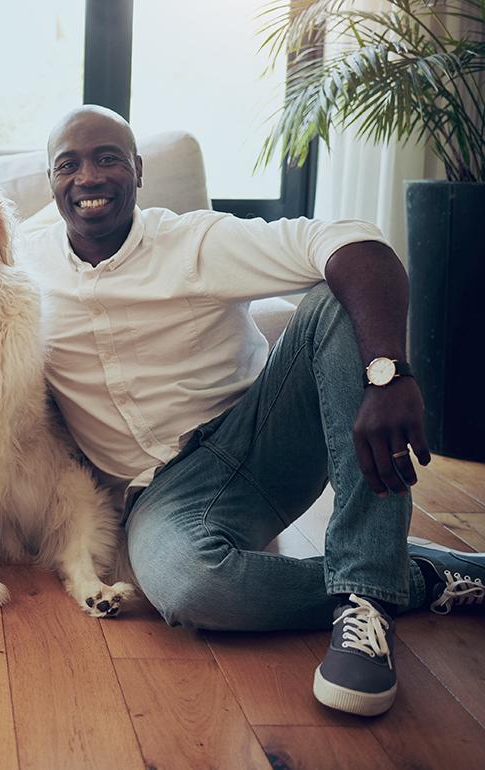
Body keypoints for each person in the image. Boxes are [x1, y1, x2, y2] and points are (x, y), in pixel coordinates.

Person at [25, 105, 485, 718]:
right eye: (69, 164)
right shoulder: (23, 258)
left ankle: (367, 607)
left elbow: (350, 239)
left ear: (137, 170)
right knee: (189, 587)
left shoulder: (197, 240)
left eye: (108, 158)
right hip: (163, 490)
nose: (88, 177)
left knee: (334, 297)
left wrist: (388, 372)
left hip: (264, 435)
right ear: (50, 180)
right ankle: (420, 577)